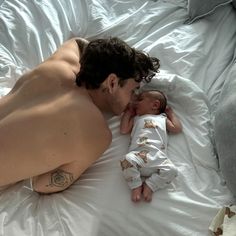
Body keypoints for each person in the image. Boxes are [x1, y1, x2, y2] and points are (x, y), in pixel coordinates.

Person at [0, 37, 160, 194]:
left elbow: (78, 42)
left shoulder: (59, 65)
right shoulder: (96, 134)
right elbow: (42, 185)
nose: (134, 98)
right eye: (132, 90)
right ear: (112, 82)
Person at [120, 90, 182, 202]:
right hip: (137, 155)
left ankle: (151, 185)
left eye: (140, 100)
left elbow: (176, 129)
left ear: (155, 105)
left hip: (157, 156)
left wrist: (171, 114)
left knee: (172, 170)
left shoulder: (162, 118)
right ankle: (136, 185)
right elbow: (124, 130)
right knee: (126, 159)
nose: (136, 103)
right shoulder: (137, 118)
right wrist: (128, 113)